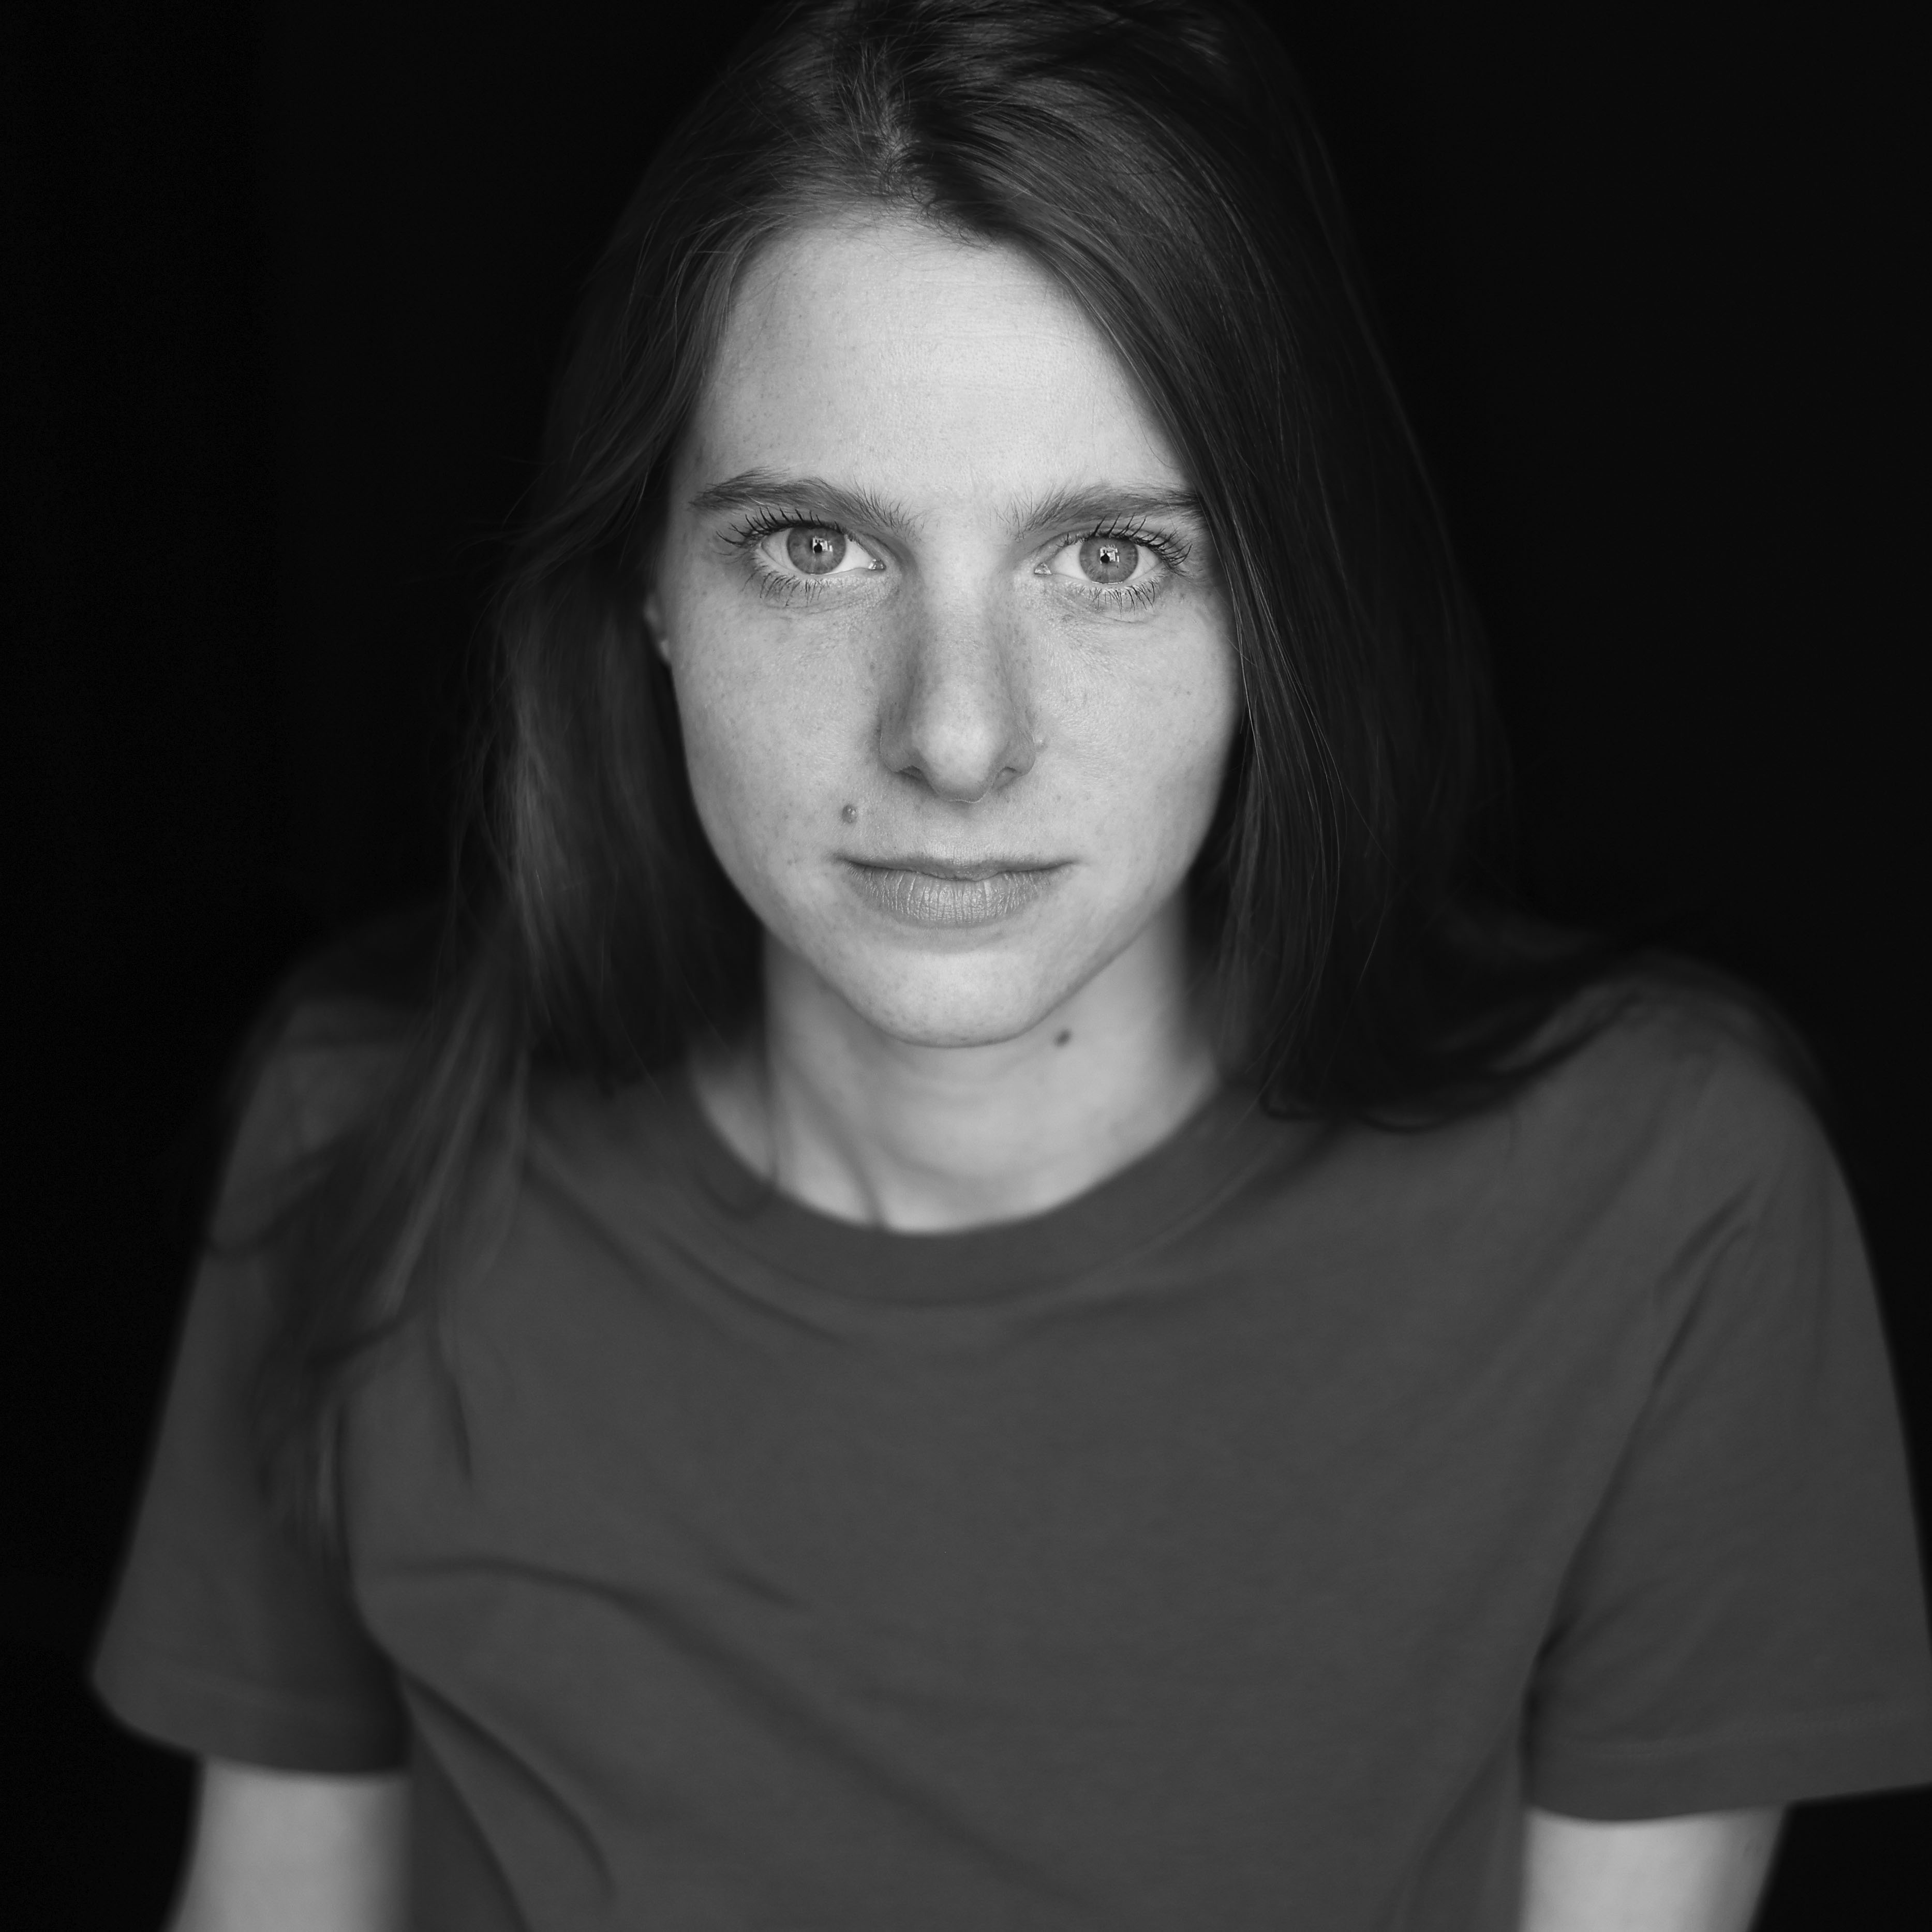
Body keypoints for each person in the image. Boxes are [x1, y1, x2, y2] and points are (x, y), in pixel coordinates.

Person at [90, 2, 1932, 1926]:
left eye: (1111, 560)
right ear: (648, 577)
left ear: (1281, 609)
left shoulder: (1658, 1202)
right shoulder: (368, 1139)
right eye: (816, 549)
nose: (958, 739)